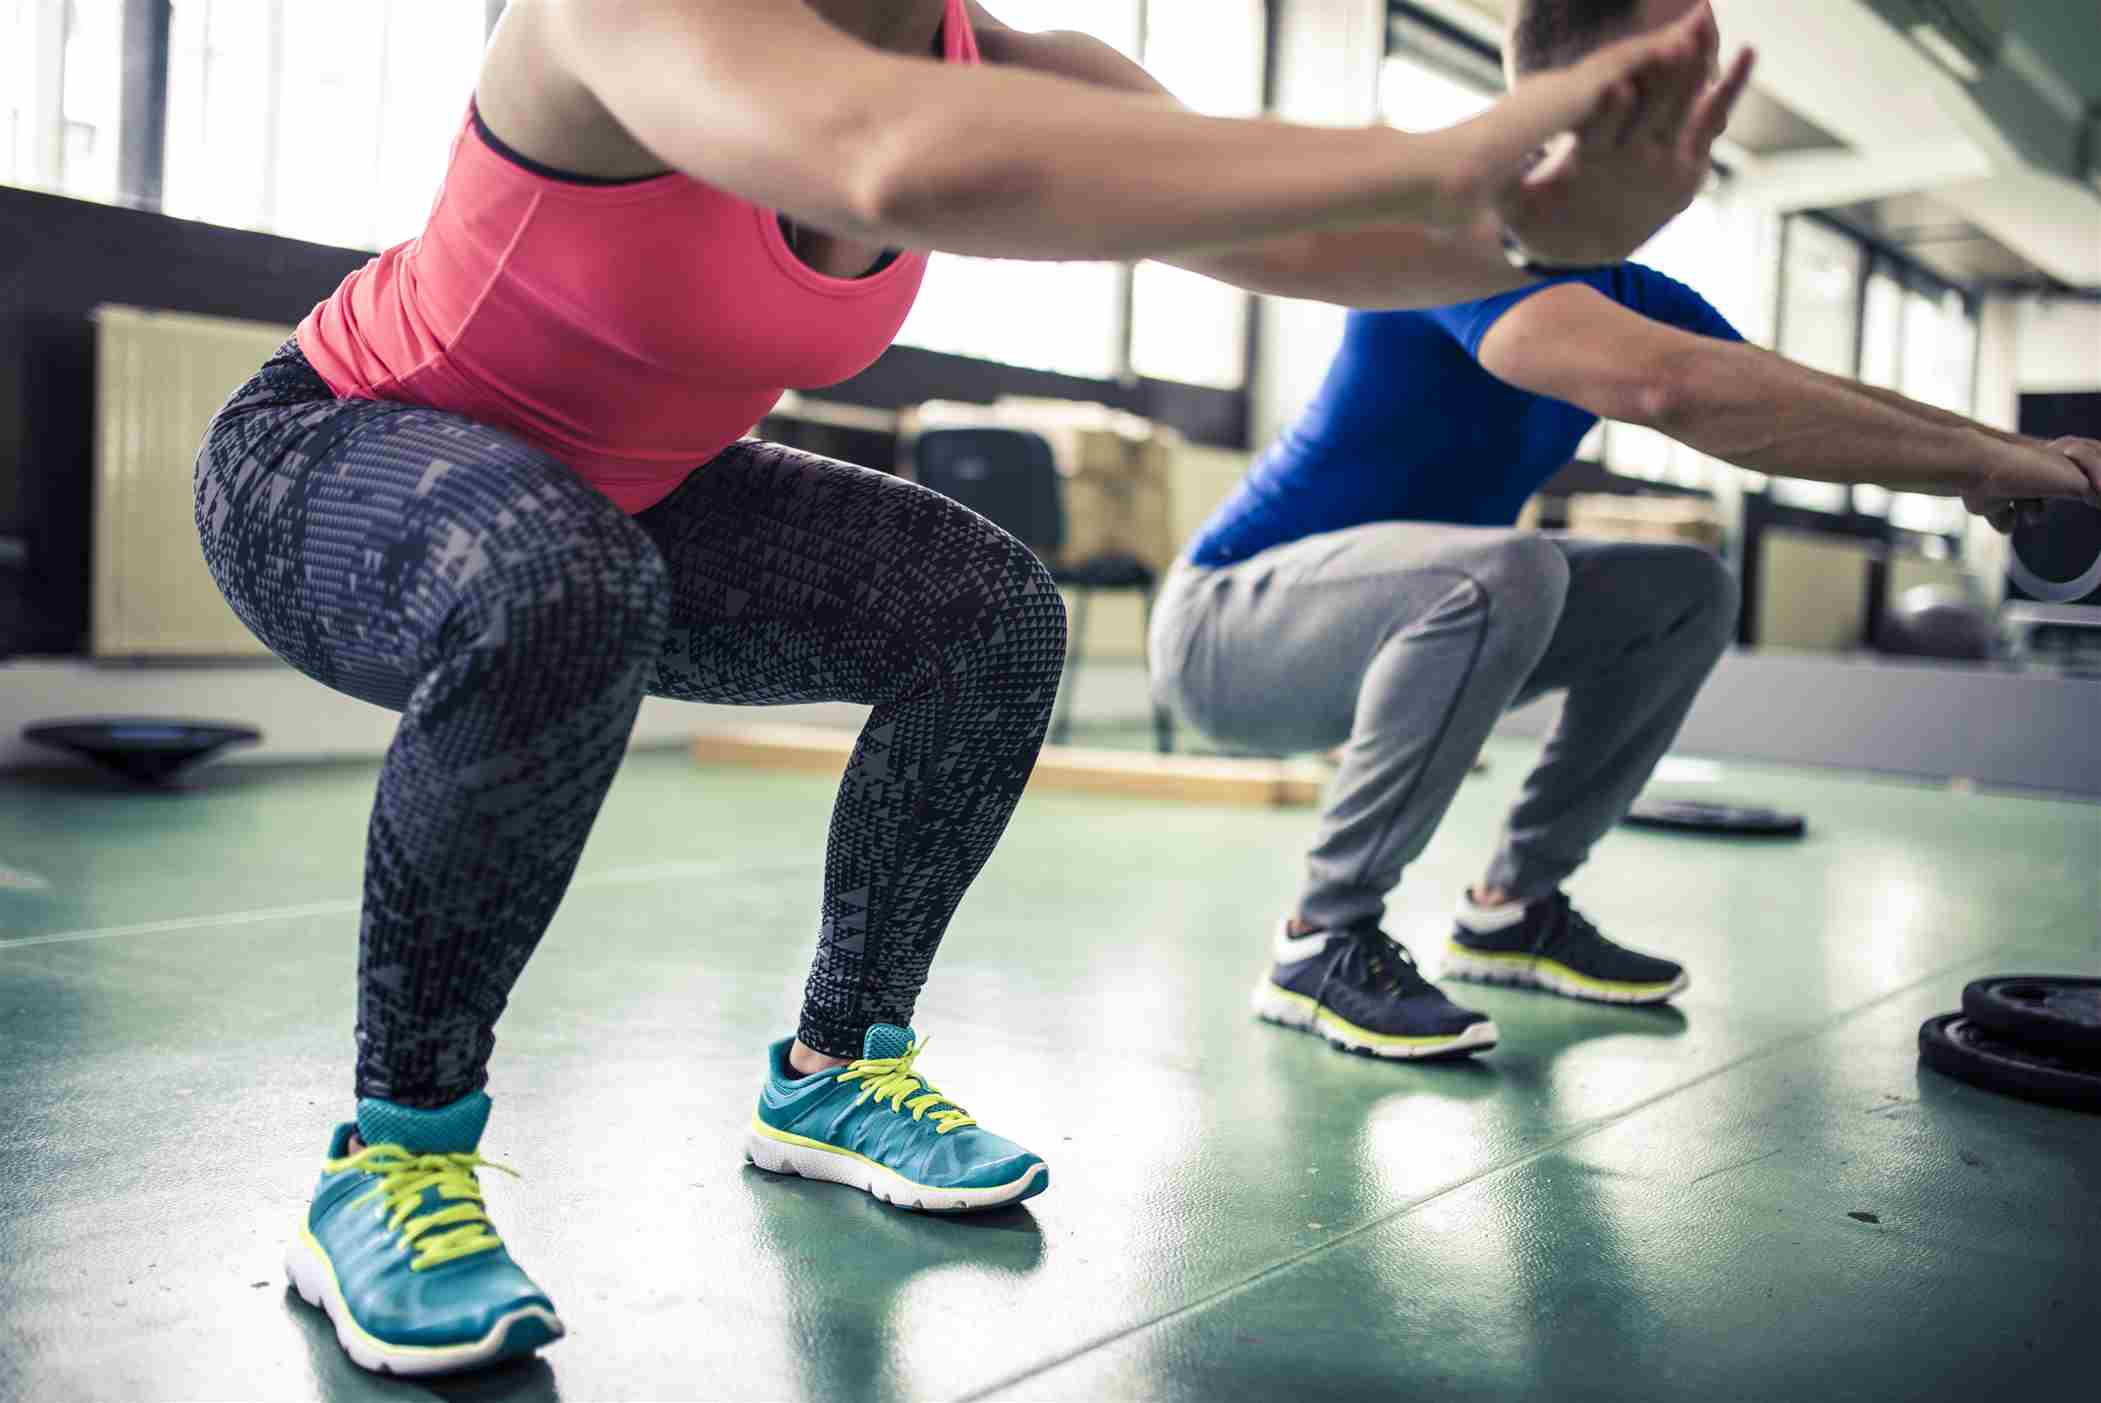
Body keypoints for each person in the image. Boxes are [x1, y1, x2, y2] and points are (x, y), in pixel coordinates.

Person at [195, 0, 1749, 1375]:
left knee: (988, 612)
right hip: (330, 455)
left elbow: (1291, 239)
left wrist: (1544, 227)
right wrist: (1471, 146)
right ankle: (390, 1156)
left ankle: (836, 1069)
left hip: (626, 496)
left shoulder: (1008, 64)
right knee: (562, 583)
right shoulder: (632, 14)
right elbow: (879, 151)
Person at [1149, 0, 2101, 1067]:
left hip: (1389, 617)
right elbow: (1669, 385)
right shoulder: (1447, 239)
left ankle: (1511, 909)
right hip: (1225, 627)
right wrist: (1994, 463)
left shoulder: (1627, 291)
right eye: (1682, 110)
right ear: (1610, 107)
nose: (1696, 153)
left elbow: (1780, 395)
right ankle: (1317, 940)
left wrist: (2006, 453)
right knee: (1503, 569)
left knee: (1683, 587)